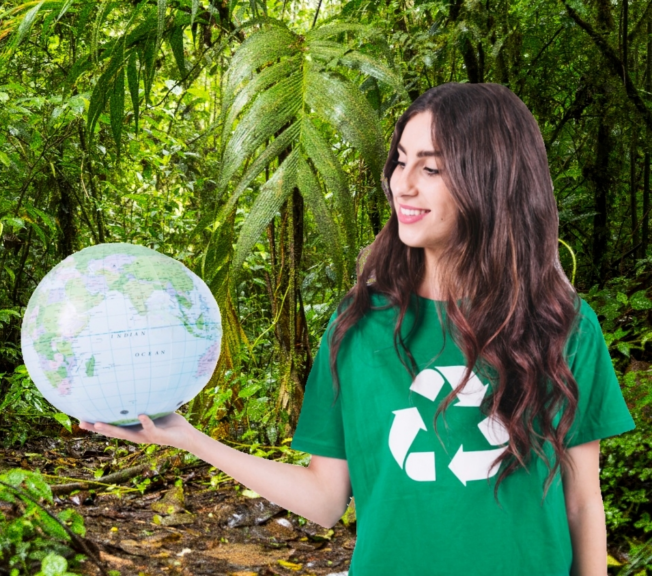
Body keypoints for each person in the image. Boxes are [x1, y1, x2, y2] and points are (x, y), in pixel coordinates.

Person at [79, 82, 636, 575]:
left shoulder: (561, 325)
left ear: (493, 179)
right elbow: (325, 500)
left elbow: (581, 503)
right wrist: (185, 437)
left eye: (432, 167)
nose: (403, 184)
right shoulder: (358, 326)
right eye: (400, 161)